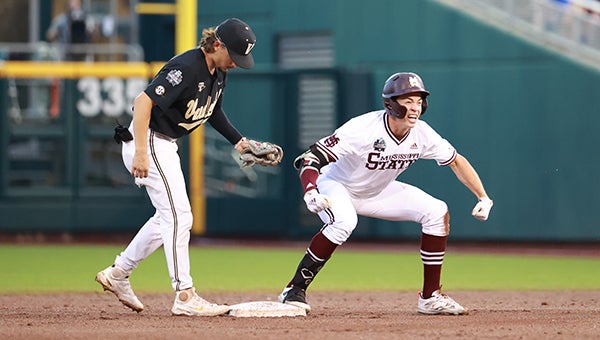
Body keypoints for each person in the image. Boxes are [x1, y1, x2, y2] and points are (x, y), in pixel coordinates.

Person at [278, 72, 494, 315]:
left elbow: (457, 161)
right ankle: (294, 289)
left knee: (436, 211)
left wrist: (483, 196)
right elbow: (310, 158)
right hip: (337, 185)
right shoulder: (363, 128)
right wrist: (310, 191)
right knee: (344, 222)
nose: (415, 108)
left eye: (418, 101)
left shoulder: (422, 133)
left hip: (376, 191)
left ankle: (430, 297)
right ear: (390, 104)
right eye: (407, 101)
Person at [95, 18, 266, 316]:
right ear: (216, 45)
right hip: (148, 139)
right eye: (234, 56)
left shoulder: (218, 72)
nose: (237, 64)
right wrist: (139, 152)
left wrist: (239, 142)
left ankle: (118, 273)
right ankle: (185, 296)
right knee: (179, 216)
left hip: (164, 142)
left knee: (168, 217)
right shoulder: (186, 67)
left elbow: (214, 111)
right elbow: (142, 102)